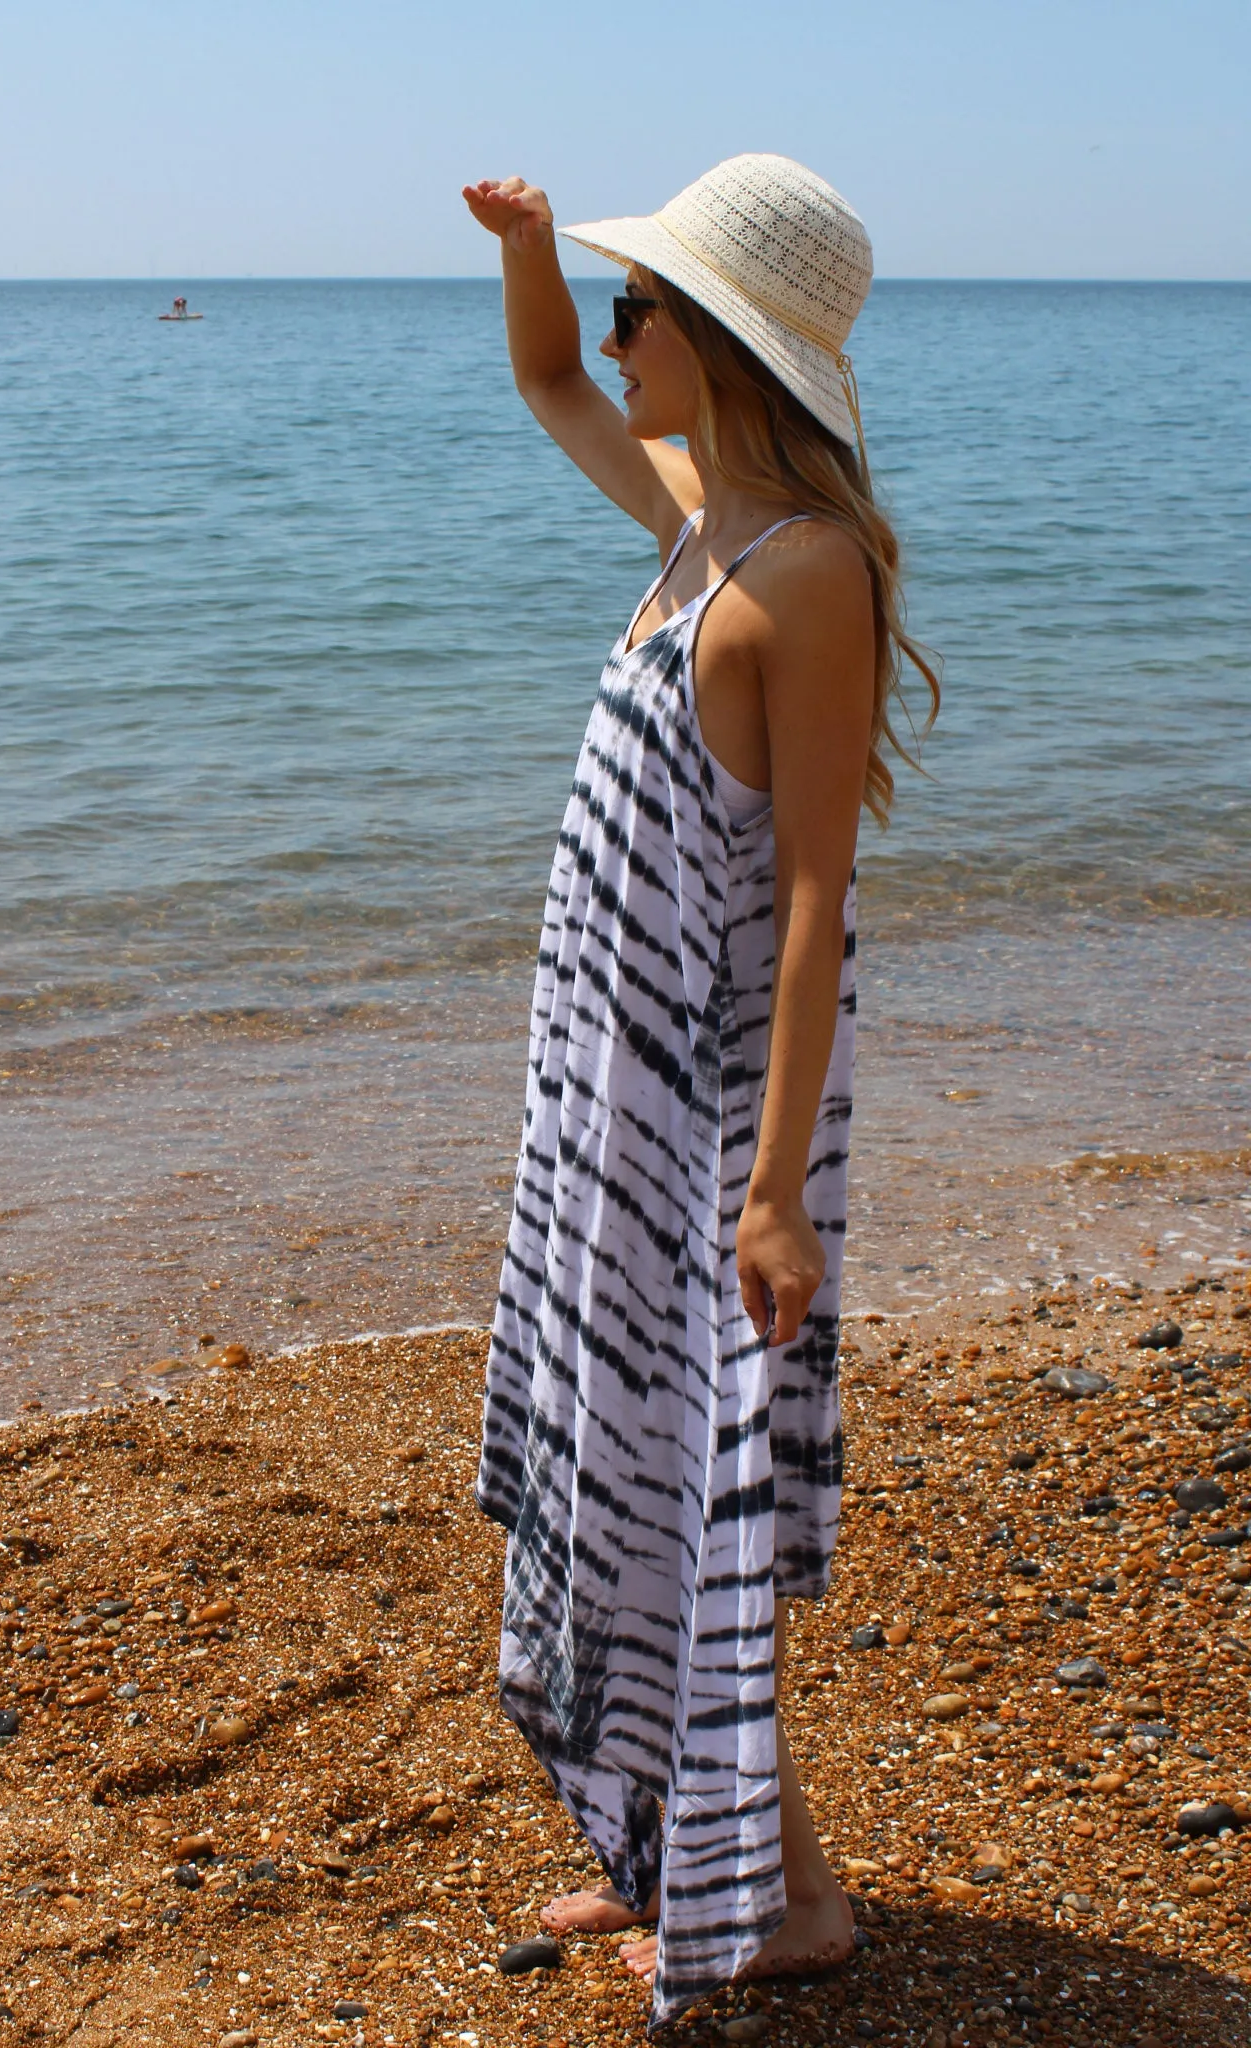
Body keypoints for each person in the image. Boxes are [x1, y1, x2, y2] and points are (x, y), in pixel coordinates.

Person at [463, 154, 938, 2034]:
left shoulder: (800, 577)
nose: (614, 329)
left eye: (641, 304)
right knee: (615, 1468)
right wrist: (518, 255)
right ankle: (672, 1848)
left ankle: (792, 1901)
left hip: (710, 1118)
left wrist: (769, 1195)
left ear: (727, 342)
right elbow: (548, 391)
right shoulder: (702, 528)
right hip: (603, 1089)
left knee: (691, 1493)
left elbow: (818, 910)